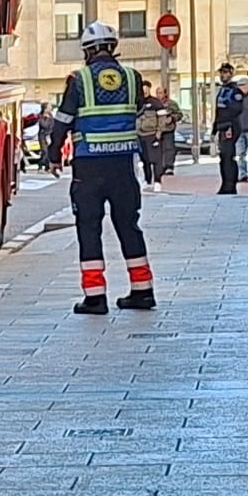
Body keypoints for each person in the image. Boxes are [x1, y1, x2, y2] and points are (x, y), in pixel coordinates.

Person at [51, 21, 156, 314]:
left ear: (87, 50)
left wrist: (53, 154)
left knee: (89, 228)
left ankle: (95, 297)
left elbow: (63, 120)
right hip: (123, 165)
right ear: (113, 47)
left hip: (88, 168)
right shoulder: (133, 78)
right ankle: (143, 290)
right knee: (128, 226)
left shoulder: (79, 79)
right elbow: (138, 114)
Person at [137, 80, 174, 192]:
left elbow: (162, 119)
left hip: (152, 135)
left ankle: (157, 181)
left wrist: (159, 133)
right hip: (140, 135)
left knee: (156, 160)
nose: (144, 91)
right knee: (145, 160)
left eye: (146, 89)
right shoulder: (138, 103)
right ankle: (147, 181)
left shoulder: (156, 103)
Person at [213, 62, 244, 193]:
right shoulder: (222, 89)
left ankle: (230, 185)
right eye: (221, 72)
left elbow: (236, 109)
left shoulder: (235, 90)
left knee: (228, 156)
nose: (223, 75)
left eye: (225, 72)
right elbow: (218, 111)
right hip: (221, 126)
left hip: (230, 126)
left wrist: (229, 126)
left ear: (231, 74)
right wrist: (214, 129)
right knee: (223, 157)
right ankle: (225, 183)